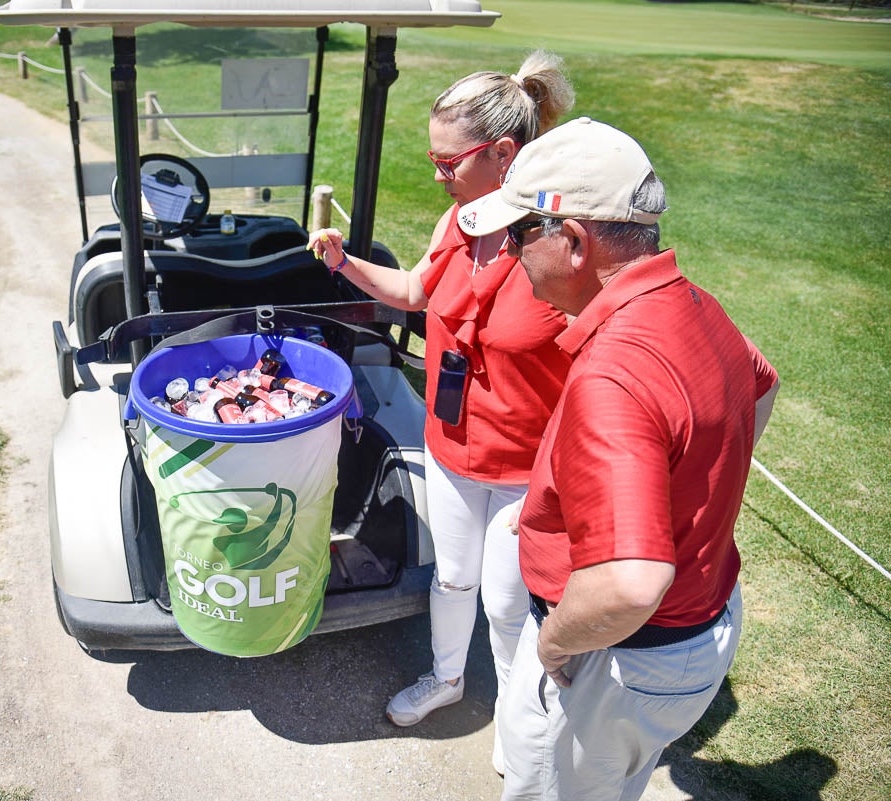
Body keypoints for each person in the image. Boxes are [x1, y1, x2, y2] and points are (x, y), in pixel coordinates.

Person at [456, 117, 780, 800]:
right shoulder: (693, 302)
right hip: (689, 632)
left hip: (620, 652)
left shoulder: (615, 374)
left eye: (519, 235)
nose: (509, 252)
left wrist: (551, 646)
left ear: (572, 240)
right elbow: (760, 383)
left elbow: (630, 584)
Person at [306, 52, 575, 761]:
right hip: (453, 444)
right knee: (454, 577)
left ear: (505, 153)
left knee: (507, 601)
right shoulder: (459, 219)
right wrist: (342, 262)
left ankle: (521, 725)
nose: (437, 172)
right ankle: (447, 678)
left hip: (527, 464)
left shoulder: (558, 242)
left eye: (448, 160)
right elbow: (414, 293)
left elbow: (602, 350)